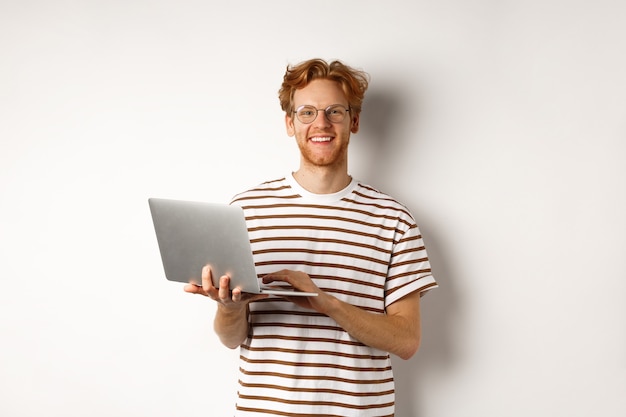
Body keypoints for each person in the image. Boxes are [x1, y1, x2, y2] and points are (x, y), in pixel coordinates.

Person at [184, 58, 438, 416]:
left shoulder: (394, 220)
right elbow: (231, 338)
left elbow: (407, 340)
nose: (321, 123)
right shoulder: (244, 211)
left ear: (355, 121)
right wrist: (229, 308)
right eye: (307, 112)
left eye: (334, 111)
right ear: (290, 123)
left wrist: (326, 302)